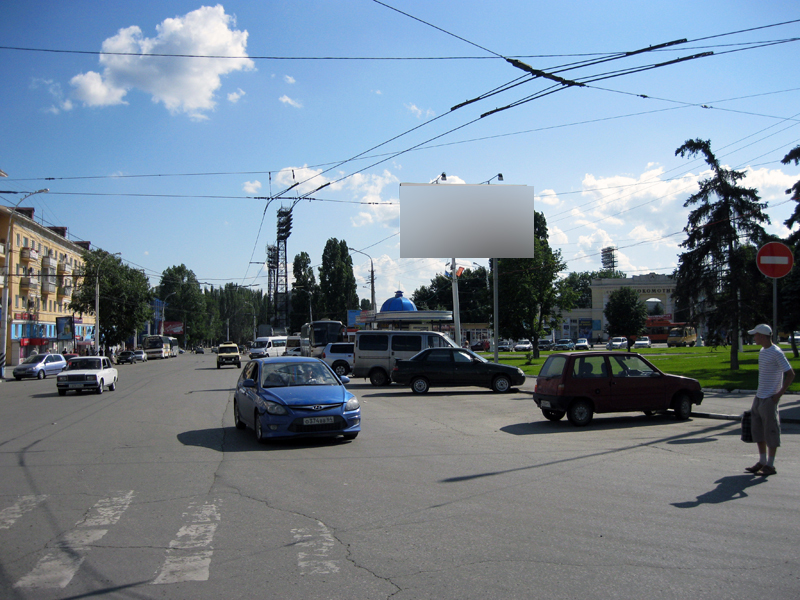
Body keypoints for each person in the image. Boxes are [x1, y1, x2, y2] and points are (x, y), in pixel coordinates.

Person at [744, 324, 795, 477]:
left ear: (763, 336)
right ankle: (762, 461)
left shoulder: (776, 352)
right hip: (759, 396)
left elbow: (790, 374)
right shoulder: (762, 351)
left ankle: (770, 465)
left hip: (769, 398)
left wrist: (778, 395)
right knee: (758, 431)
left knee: (771, 431)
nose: (754, 337)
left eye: (756, 335)